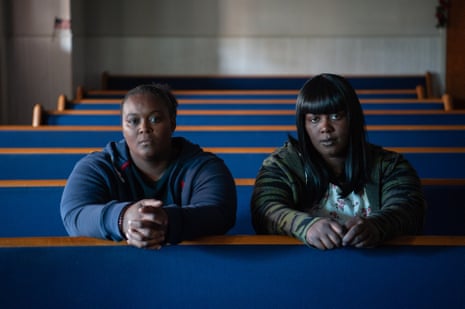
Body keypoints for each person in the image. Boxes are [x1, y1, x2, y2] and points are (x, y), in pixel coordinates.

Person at [251, 73, 426, 250]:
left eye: (336, 116)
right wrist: (306, 227)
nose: (325, 128)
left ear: (353, 119)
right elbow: (264, 210)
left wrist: (376, 225)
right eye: (314, 119)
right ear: (303, 125)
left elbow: (409, 209)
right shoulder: (282, 165)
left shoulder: (389, 165)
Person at [61, 84, 237, 249]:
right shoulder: (98, 166)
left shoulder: (205, 167)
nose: (144, 128)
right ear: (122, 127)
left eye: (155, 119)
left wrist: (165, 221)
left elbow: (220, 213)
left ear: (172, 122)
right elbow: (74, 214)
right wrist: (123, 218)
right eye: (133, 121)